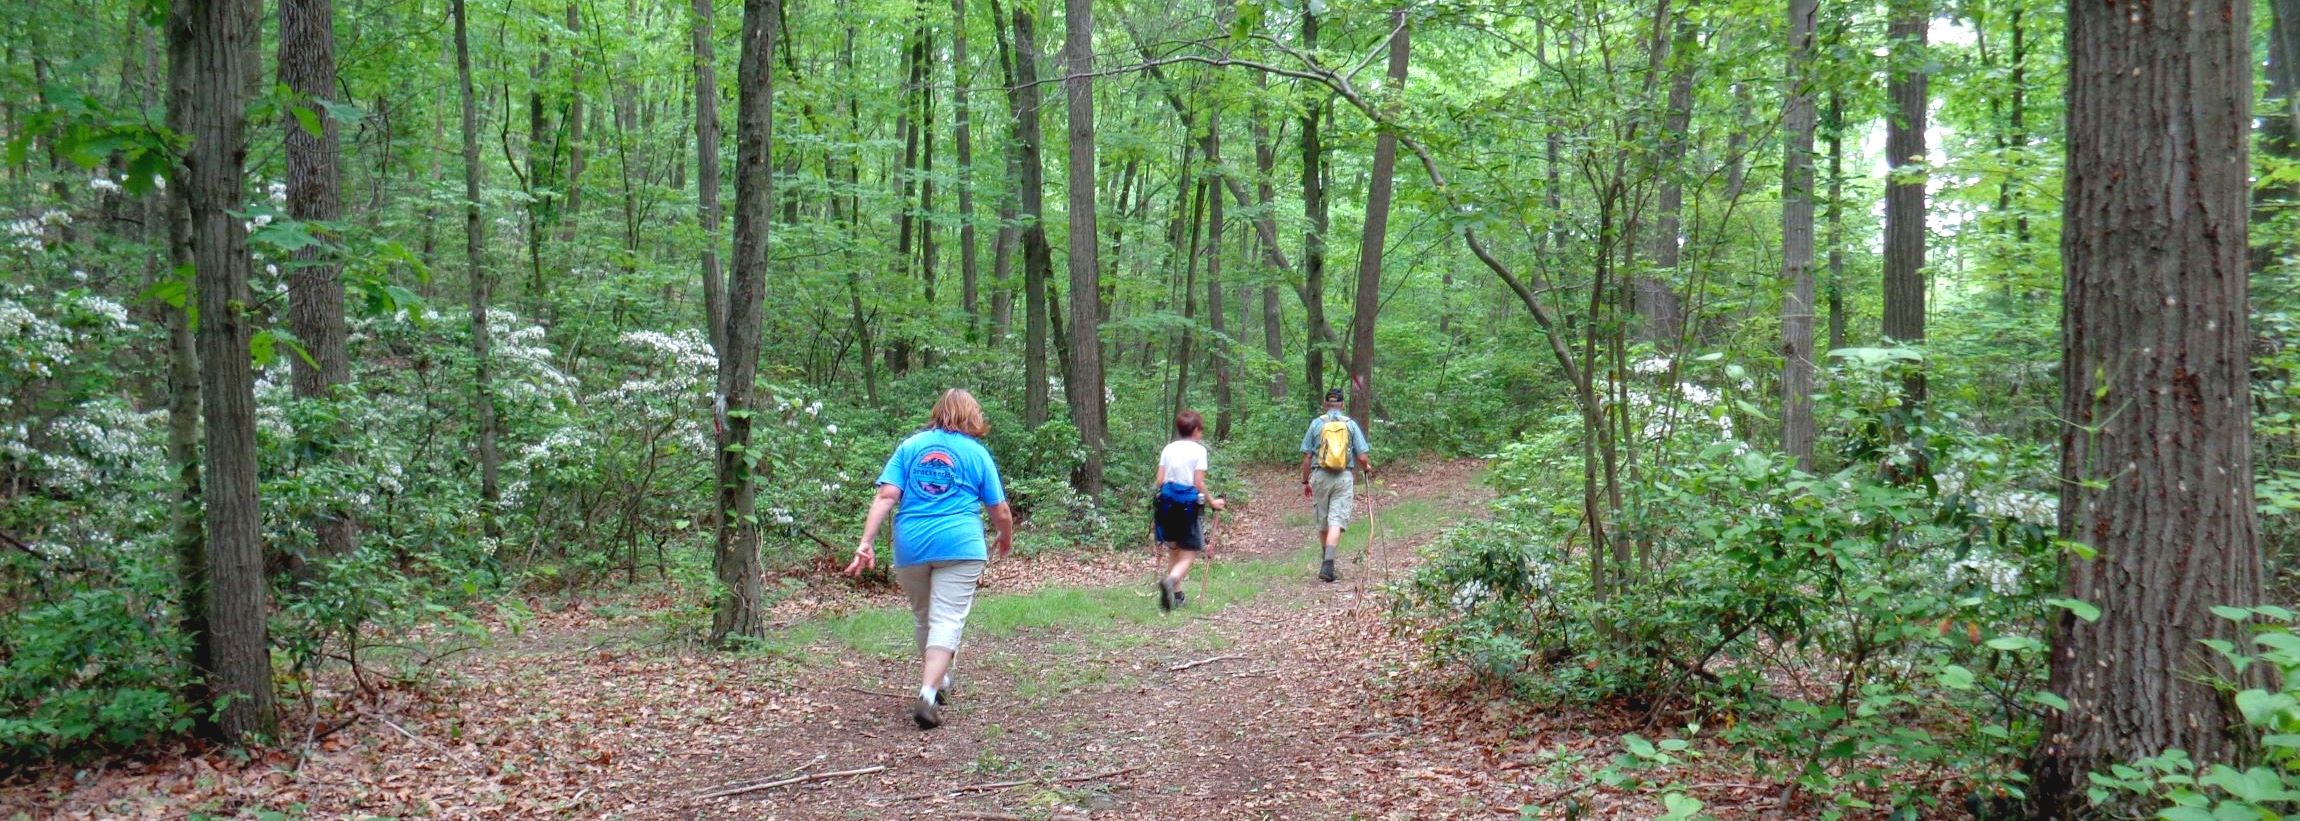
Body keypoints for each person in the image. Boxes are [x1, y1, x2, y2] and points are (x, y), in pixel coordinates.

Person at [844, 388, 1015, 730]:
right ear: (971, 416)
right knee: (948, 618)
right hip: (960, 544)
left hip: (912, 545)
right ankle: (927, 693)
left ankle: (939, 682)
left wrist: (866, 541)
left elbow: (886, 495)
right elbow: (999, 509)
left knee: (926, 618)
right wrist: (1005, 535)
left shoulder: (911, 446)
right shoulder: (976, 453)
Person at [1151, 410, 1226, 612]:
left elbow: (1160, 480)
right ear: (1194, 430)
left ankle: (1177, 596)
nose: (1201, 434)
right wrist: (1212, 502)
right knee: (1189, 554)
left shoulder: (1168, 449)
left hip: (1166, 504)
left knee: (1174, 550)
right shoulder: (1198, 451)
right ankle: (1171, 581)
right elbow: (1198, 482)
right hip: (1188, 506)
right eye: (1200, 430)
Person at [1299, 388, 1372, 583]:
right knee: (1336, 520)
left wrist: (1306, 480)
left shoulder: (1316, 424)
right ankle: (1328, 564)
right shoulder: (1350, 425)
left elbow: (1307, 456)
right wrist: (1367, 467)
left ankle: (1326, 563)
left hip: (1320, 476)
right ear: (1342, 405)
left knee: (1323, 521)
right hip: (1343, 477)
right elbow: (1362, 456)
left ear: (1325, 404)